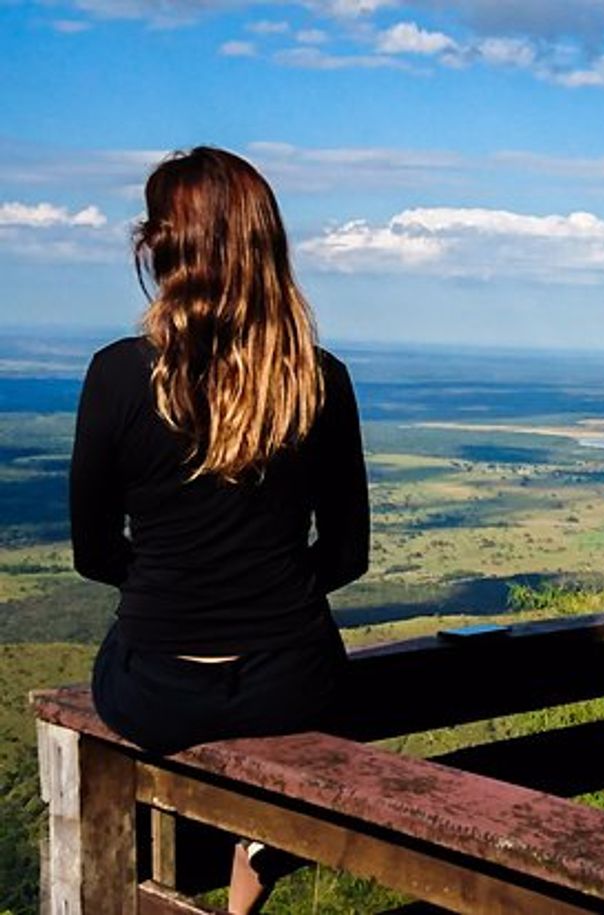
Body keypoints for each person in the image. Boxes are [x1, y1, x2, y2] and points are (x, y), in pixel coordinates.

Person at [70, 146, 369, 913]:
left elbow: (94, 551)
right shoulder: (321, 379)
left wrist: (171, 586)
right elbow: (346, 553)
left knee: (127, 693)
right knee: (292, 733)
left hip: (154, 690)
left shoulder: (114, 375)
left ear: (162, 249)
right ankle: (247, 879)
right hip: (292, 683)